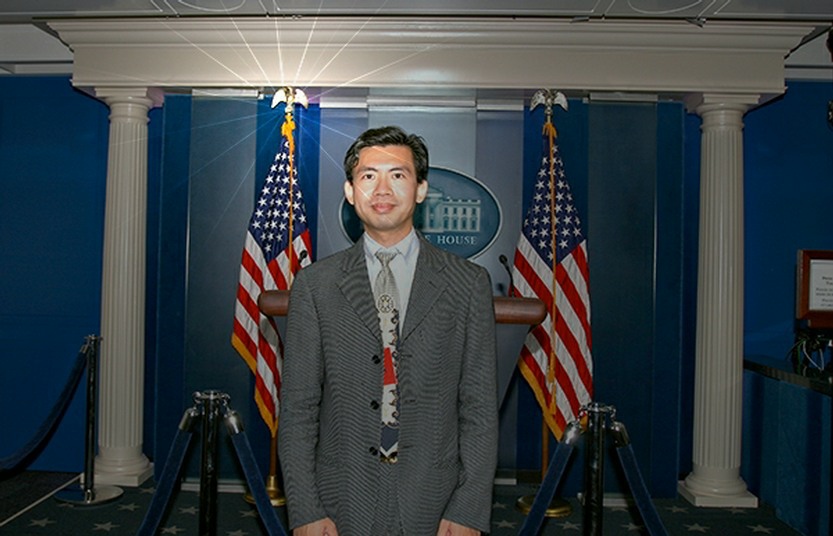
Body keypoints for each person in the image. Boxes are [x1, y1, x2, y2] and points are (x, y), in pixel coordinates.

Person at [278, 125, 498, 536]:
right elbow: (298, 409)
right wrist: (305, 509)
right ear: (350, 191)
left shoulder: (467, 284)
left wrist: (468, 509)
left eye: (398, 175)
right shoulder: (315, 285)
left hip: (435, 500)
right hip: (340, 498)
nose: (382, 189)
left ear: (421, 189)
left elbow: (479, 409)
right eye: (368, 176)